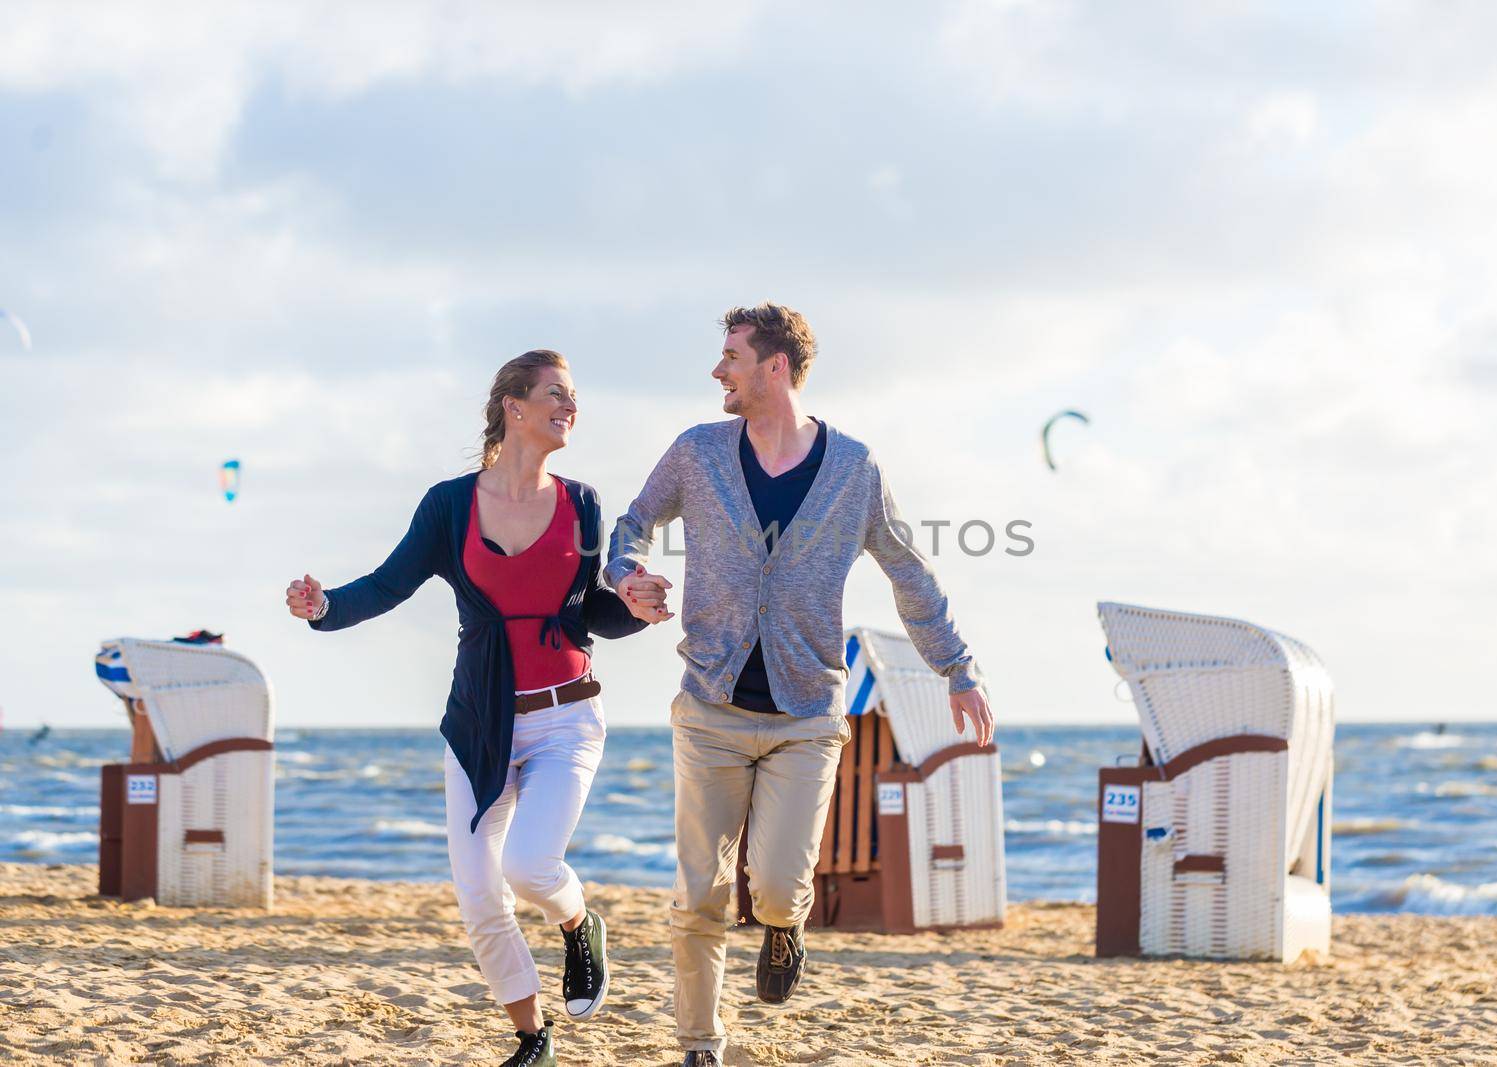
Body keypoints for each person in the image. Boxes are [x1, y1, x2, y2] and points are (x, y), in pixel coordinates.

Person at [605, 304, 996, 1066]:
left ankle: (785, 930)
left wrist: (957, 669)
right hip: (710, 706)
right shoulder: (697, 452)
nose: (718, 371)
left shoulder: (855, 469)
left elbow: (909, 574)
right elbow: (631, 527)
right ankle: (699, 1042)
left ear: (774, 367)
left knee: (779, 884)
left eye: (731, 356)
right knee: (699, 895)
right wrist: (627, 578)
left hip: (807, 713)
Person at [284, 350, 652, 1067]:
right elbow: (389, 584)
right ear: (513, 406)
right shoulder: (450, 505)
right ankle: (532, 1037)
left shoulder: (581, 504)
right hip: (481, 721)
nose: (569, 407)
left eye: (573, 397)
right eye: (556, 394)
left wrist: (636, 608)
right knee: (480, 892)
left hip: (566, 716)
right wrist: (323, 606)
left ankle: (579, 924)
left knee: (529, 864)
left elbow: (592, 612)